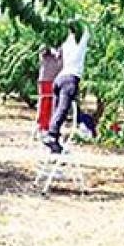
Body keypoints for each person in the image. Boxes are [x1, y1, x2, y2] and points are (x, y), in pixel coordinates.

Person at [42, 21, 90, 154]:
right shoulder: (82, 35)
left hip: (60, 78)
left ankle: (55, 143)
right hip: (70, 79)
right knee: (63, 109)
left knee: (58, 110)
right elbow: (84, 26)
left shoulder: (67, 41)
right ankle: (52, 135)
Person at [36, 45, 62, 134]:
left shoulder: (62, 47)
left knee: (54, 104)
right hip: (45, 80)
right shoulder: (46, 48)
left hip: (57, 80)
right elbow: (42, 50)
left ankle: (51, 127)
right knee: (45, 102)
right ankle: (41, 126)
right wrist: (51, 49)